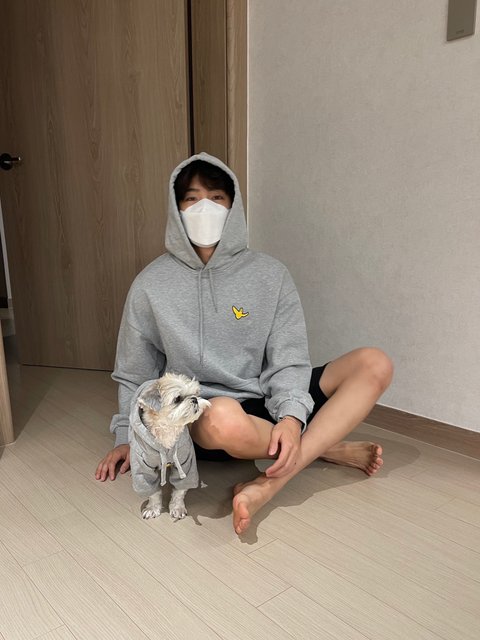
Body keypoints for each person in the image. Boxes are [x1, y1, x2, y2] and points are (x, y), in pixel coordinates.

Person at [96, 152, 393, 535]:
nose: (204, 207)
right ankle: (322, 446)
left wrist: (290, 418)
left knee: (374, 363)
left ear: (233, 207)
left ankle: (270, 482)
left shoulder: (270, 274)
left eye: (217, 197)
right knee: (222, 416)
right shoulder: (150, 285)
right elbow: (134, 372)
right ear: (176, 208)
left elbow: (289, 359)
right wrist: (126, 437)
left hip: (267, 398)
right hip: (203, 415)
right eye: (192, 199)